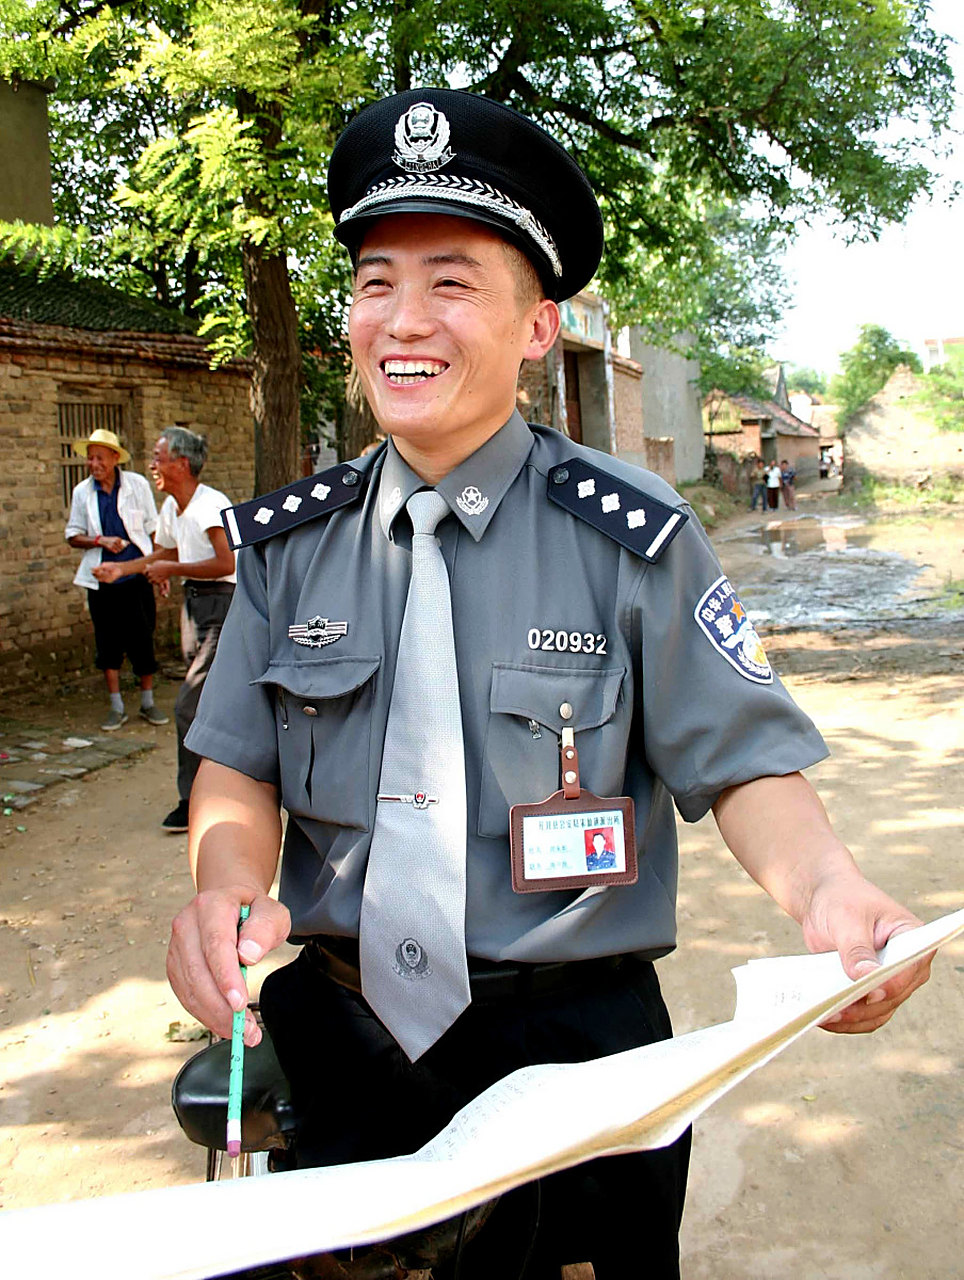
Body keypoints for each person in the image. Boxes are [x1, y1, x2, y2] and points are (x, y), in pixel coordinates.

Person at [165, 90, 931, 1279]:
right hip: (346, 1041)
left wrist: (828, 888)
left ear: (538, 326)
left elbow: (742, 762)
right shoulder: (288, 549)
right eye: (375, 281)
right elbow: (238, 766)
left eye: (451, 282)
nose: (402, 318)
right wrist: (221, 889)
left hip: (579, 1060)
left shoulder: (632, 539)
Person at [95, 428, 235, 832]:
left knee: (188, 705)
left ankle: (191, 801)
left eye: (158, 458)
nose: (152, 465)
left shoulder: (211, 505)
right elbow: (166, 551)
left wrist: (171, 569)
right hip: (194, 606)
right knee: (209, 703)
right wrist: (123, 569)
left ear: (182, 464)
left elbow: (226, 563)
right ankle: (221, 790)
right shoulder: (173, 507)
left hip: (222, 605)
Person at [65, 428, 168, 731]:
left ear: (114, 458)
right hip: (102, 580)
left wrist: (158, 567)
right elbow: (72, 535)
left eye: (100, 458)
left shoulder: (137, 485)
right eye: (90, 458)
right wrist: (100, 540)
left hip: (136, 575)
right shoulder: (82, 492)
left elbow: (153, 529)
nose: (94, 464)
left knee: (142, 636)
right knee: (107, 641)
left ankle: (147, 702)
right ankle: (116, 706)